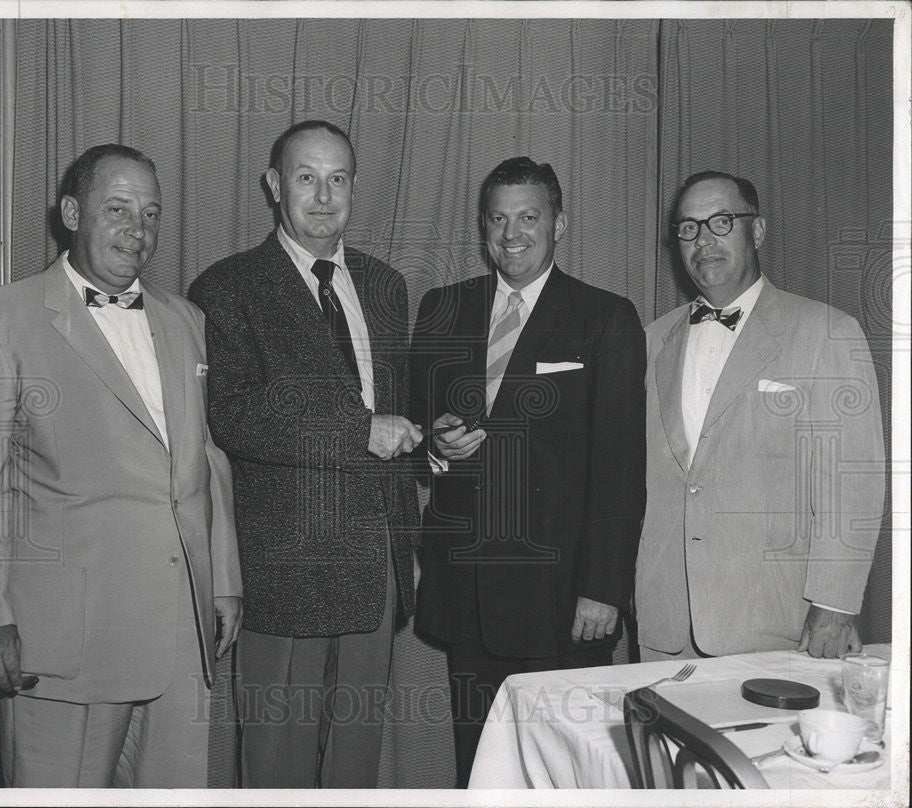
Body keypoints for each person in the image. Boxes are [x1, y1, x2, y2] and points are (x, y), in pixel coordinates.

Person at [0, 144, 243, 787]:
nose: (139, 230)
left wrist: (223, 579)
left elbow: (205, 458)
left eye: (152, 214)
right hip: (63, 644)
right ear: (72, 212)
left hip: (181, 638)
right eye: (119, 209)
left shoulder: (185, 320)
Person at [188, 120, 422, 789]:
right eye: (306, 177)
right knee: (276, 765)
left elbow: (388, 409)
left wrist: (427, 447)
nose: (324, 196)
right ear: (273, 185)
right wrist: (360, 433)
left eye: (338, 178)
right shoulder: (228, 287)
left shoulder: (384, 285)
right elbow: (232, 414)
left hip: (375, 562)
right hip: (283, 568)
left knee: (356, 762)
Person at [409, 157, 647, 786]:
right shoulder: (442, 308)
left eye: (528, 217)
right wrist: (434, 446)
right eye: (497, 218)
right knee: (481, 773)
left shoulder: (605, 317)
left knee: (567, 777)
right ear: (482, 227)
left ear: (558, 224)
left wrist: (604, 587)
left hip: (563, 600)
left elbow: (621, 466)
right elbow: (413, 429)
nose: (511, 234)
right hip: (468, 596)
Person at [636, 170, 886, 661]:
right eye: (688, 228)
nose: (703, 240)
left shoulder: (826, 332)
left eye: (721, 222)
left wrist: (834, 607)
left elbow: (851, 485)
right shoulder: (648, 342)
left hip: (777, 625)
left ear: (758, 231)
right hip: (665, 626)